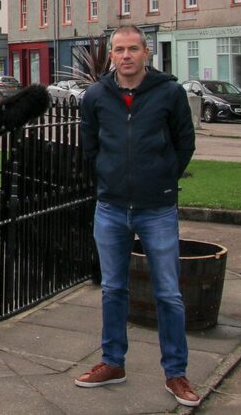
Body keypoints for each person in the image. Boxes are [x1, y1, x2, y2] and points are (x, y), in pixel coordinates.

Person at [76, 25, 201, 407]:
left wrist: (162, 179)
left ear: (146, 53)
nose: (126, 55)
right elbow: (89, 147)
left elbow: (184, 143)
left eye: (133, 49)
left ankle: (176, 373)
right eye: (119, 50)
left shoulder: (170, 93)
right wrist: (109, 180)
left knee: (168, 293)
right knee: (113, 289)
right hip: (111, 207)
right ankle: (113, 362)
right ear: (111, 55)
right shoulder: (96, 96)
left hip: (157, 208)